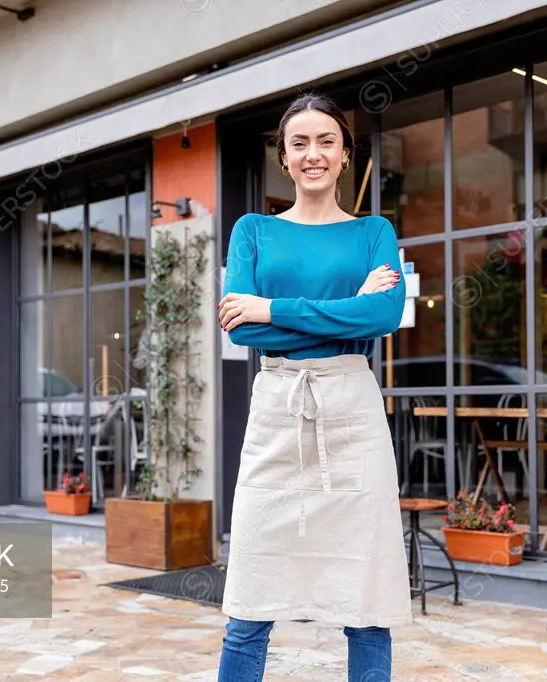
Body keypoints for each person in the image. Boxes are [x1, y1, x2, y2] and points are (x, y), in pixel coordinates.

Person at [216, 93, 411, 682]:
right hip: (278, 406)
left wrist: (272, 306)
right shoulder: (252, 231)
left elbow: (382, 317)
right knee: (250, 594)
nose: (313, 153)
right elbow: (241, 326)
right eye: (298, 143)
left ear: (346, 155)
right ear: (284, 158)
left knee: (367, 598)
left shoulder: (375, 232)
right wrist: (346, 306)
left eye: (326, 140)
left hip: (352, 411)